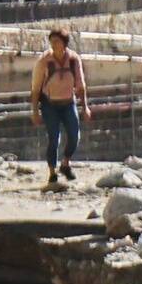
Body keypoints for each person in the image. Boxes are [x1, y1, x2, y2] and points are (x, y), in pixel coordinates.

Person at [35, 29, 88, 186]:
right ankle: (52, 172)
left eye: (57, 41)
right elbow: (36, 87)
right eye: (52, 42)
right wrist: (34, 111)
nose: (54, 45)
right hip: (49, 105)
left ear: (64, 43)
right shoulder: (44, 60)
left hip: (68, 103)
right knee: (54, 138)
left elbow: (81, 84)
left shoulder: (73, 59)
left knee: (74, 136)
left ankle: (65, 163)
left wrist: (85, 107)